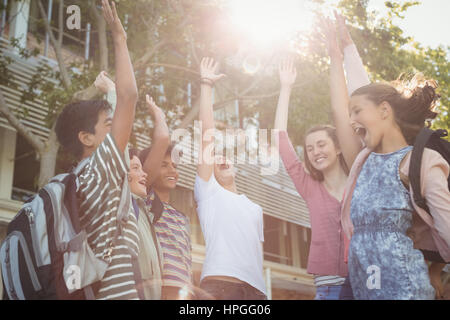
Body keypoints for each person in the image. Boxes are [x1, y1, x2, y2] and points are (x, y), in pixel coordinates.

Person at [325, 14, 450, 299]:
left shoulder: (421, 162)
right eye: (351, 113)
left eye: (357, 111)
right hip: (366, 290)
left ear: (384, 111)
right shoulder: (363, 159)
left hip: (405, 289)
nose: (351, 119)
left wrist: (436, 272)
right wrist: (338, 54)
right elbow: (342, 108)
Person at [54, 0, 140, 300]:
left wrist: (111, 94)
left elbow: (121, 109)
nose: (116, 128)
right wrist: (119, 37)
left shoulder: (79, 179)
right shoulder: (99, 171)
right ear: (86, 138)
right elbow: (131, 98)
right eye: (107, 124)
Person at [274, 59, 349, 299]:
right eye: (309, 148)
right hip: (328, 286)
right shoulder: (309, 187)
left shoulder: (360, 182)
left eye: (321, 144)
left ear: (338, 148)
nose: (315, 152)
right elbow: (279, 138)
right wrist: (285, 87)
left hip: (365, 281)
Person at [194, 57, 267, 300]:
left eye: (224, 155)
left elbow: (257, 255)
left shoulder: (255, 208)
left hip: (257, 292)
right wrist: (206, 85)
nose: (219, 158)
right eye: (214, 157)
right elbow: (207, 135)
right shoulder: (209, 192)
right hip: (220, 287)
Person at [139, 143, 194, 300]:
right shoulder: (146, 204)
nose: (172, 171)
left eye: (175, 166)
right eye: (163, 165)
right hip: (159, 290)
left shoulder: (183, 218)